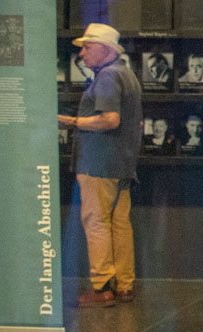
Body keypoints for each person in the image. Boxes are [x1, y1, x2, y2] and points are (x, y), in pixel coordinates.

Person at [58, 22, 143, 307]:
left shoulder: (107, 76)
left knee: (96, 223)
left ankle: (102, 286)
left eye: (87, 47)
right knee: (120, 225)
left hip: (98, 164)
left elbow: (110, 119)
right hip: (121, 164)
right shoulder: (126, 74)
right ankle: (125, 285)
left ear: (106, 50)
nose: (82, 54)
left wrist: (70, 121)